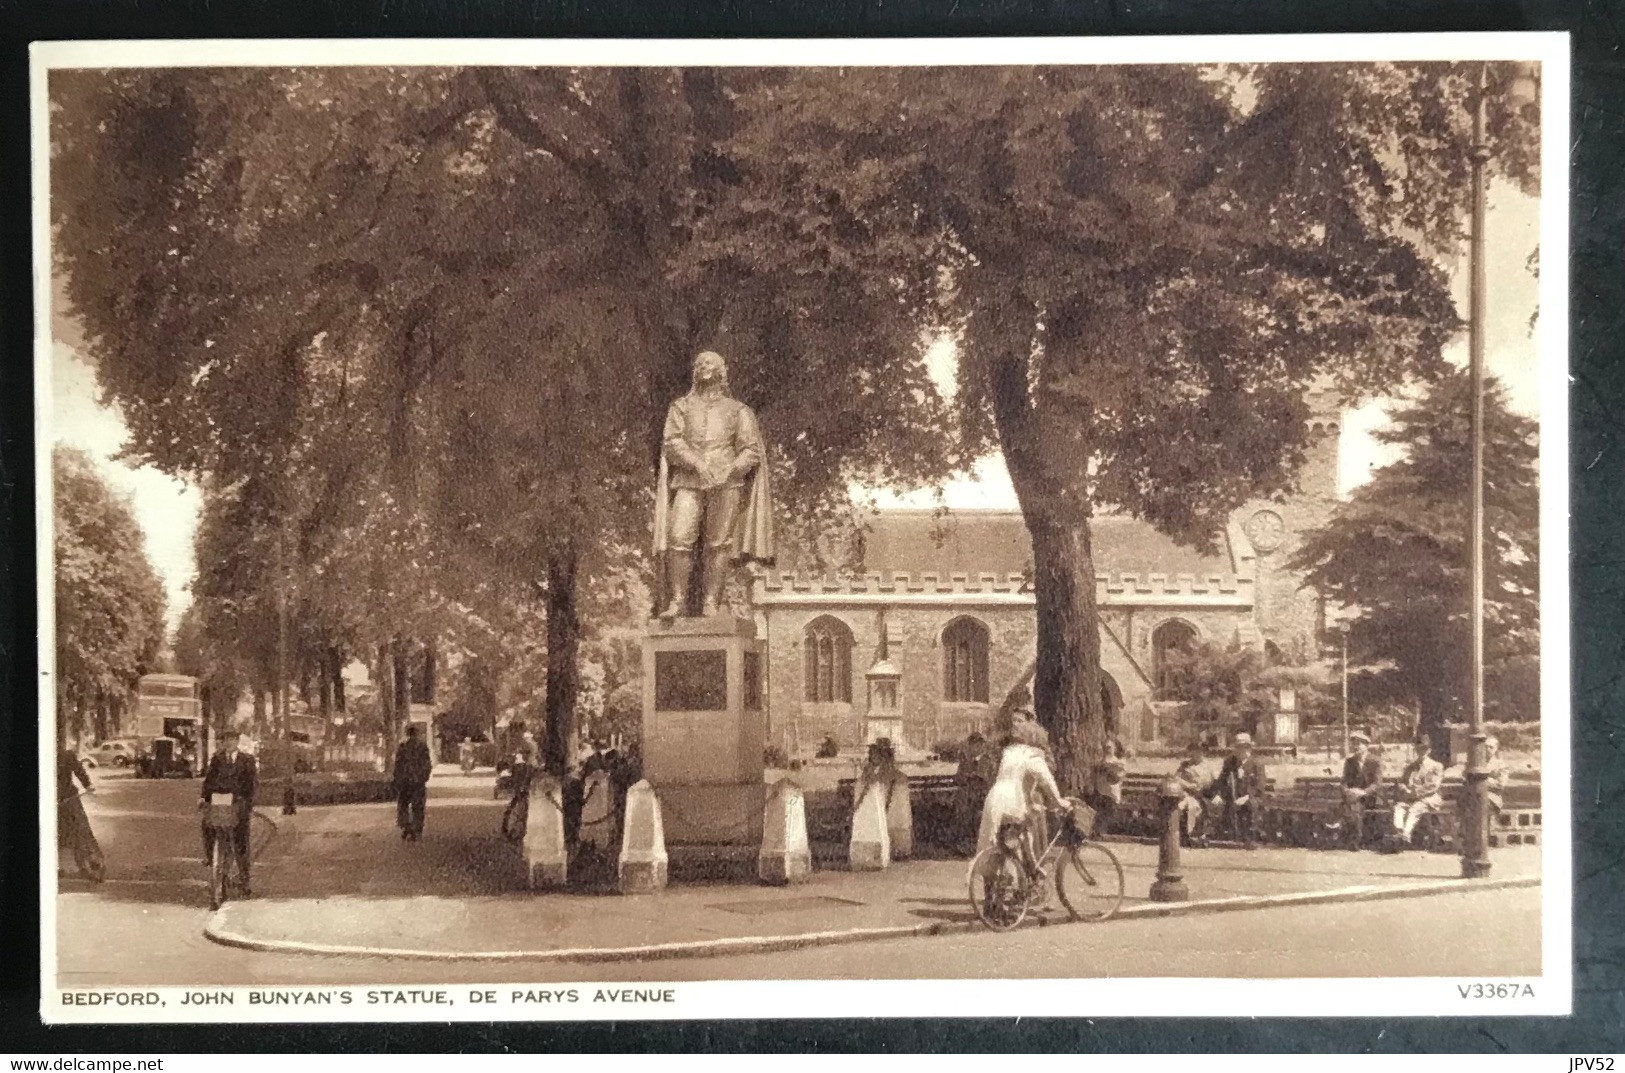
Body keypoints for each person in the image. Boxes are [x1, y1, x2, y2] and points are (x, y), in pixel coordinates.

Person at [654, 350, 775, 618]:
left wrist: (730, 471)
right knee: (678, 537)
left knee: (718, 544)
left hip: (726, 484)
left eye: (709, 363)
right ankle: (677, 600)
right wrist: (697, 464)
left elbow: (750, 450)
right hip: (688, 480)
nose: (702, 366)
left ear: (721, 370)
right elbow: (672, 442)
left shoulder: (738, 410)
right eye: (698, 363)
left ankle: (711, 601)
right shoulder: (681, 407)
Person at [976, 732, 1068, 883]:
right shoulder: (1033, 757)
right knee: (1025, 836)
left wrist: (1032, 803)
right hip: (1012, 799)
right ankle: (1028, 876)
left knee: (995, 843)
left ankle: (994, 894)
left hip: (995, 797)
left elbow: (1023, 783)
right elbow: (1047, 781)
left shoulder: (1009, 752)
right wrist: (1059, 801)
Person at [199, 728, 257, 895]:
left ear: (237, 741)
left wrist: (247, 802)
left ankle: (244, 879)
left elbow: (251, 784)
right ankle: (211, 858)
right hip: (219, 801)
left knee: (240, 841)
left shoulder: (247, 760)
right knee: (208, 825)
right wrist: (204, 797)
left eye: (232, 739)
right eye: (226, 740)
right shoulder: (217, 759)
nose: (229, 743)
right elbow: (209, 781)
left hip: (238, 804)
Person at [1207, 732, 1266, 848]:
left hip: (1252, 797)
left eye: (1245, 747)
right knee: (1216, 803)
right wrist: (1218, 794)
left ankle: (1250, 837)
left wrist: (1246, 797)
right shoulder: (1230, 762)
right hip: (1232, 796)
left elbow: (1260, 786)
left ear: (1249, 747)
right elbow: (1222, 781)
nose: (1241, 750)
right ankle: (1220, 832)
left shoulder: (1257, 763)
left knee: (1251, 805)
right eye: (1238, 747)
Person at [1331, 731, 1384, 848]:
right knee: (1353, 806)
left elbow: (1377, 783)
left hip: (1371, 798)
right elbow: (1344, 782)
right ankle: (1355, 838)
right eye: (1354, 744)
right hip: (1353, 798)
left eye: (1359, 744)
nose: (1356, 747)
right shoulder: (1350, 762)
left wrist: (1363, 792)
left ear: (1366, 745)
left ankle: (1353, 837)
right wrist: (1348, 792)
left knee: (1352, 806)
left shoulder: (1375, 761)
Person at [1390, 739, 1445, 848]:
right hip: (1410, 797)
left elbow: (1433, 786)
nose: (1421, 752)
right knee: (1399, 807)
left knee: (1415, 808)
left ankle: (1406, 834)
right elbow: (1402, 782)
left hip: (1430, 798)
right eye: (1418, 749)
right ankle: (1399, 832)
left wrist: (1414, 793)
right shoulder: (1410, 767)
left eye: (1424, 749)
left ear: (1429, 751)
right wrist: (1403, 787)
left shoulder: (1436, 766)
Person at [58, 746, 96, 874]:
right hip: (65, 800)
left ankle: (88, 860)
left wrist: (87, 784)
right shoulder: (66, 754)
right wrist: (88, 785)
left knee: (76, 831)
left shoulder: (66, 754)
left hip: (65, 799)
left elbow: (78, 770)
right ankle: (88, 861)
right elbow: (79, 770)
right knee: (78, 830)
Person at [392, 725, 433, 841]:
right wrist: (424, 776)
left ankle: (406, 826)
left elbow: (398, 764)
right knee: (418, 806)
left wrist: (397, 779)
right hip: (418, 781)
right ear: (416, 733)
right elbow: (427, 764)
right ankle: (417, 828)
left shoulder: (402, 746)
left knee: (403, 805)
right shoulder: (422, 747)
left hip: (405, 781)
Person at [1175, 744, 1210, 847]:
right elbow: (1176, 778)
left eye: (1199, 751)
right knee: (1188, 805)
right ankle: (1190, 836)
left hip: (1201, 797)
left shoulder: (1208, 766)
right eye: (1194, 751)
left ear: (1203, 752)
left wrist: (1200, 785)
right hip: (1185, 795)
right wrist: (1189, 785)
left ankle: (1190, 836)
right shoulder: (1185, 765)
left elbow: (1209, 783)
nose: (1196, 754)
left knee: (1190, 806)